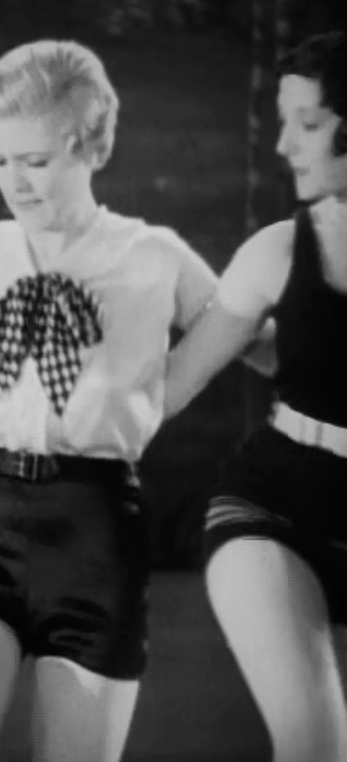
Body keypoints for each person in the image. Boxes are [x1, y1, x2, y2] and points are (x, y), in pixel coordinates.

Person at [0, 39, 223, 762]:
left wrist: (159, 396)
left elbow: (251, 337)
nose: (14, 181)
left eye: (36, 161)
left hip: (96, 537)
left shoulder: (152, 255)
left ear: (90, 146)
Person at [165, 30, 347, 762]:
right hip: (275, 508)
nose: (283, 145)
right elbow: (165, 391)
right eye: (283, 122)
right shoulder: (276, 250)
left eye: (308, 123)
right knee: (316, 745)